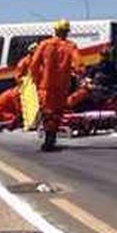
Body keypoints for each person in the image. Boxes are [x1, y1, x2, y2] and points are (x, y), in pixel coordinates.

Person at [28, 19, 82, 151]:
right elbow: (79, 65)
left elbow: (34, 64)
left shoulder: (44, 44)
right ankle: (51, 138)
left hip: (46, 86)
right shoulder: (71, 46)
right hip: (62, 87)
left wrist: (36, 80)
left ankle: (49, 138)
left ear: (55, 30)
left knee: (47, 113)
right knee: (57, 113)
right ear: (66, 32)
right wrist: (78, 76)